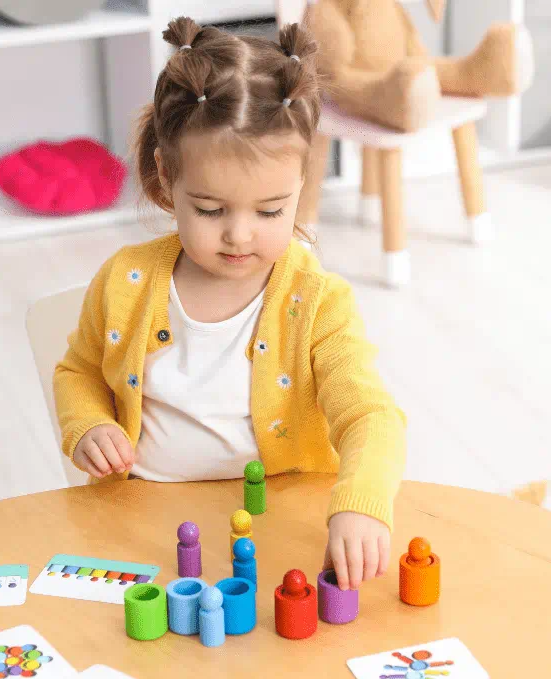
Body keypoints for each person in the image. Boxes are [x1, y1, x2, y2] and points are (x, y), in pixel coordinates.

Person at [54, 17, 406, 590]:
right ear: (167, 176)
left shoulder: (317, 301)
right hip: (142, 525)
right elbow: (78, 372)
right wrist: (88, 425)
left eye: (270, 211)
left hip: (273, 529)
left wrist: (362, 502)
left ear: (300, 178)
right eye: (212, 210)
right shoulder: (125, 281)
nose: (240, 236)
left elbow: (370, 416)